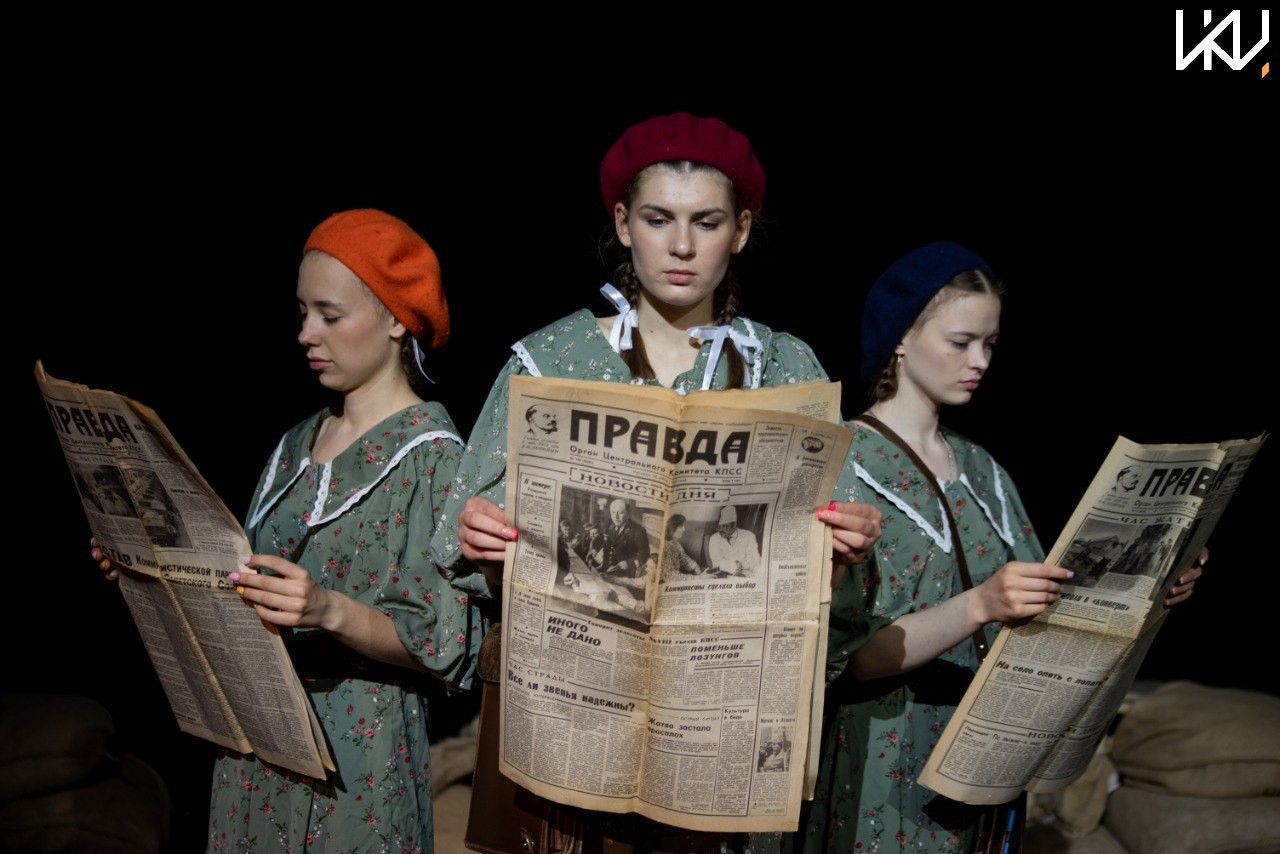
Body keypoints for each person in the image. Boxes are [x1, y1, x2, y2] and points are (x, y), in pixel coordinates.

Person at [430, 112, 883, 853]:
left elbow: (835, 597)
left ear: (741, 230)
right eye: (657, 219)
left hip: (717, 727)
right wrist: (481, 539)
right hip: (570, 726)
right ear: (622, 223)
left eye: (706, 222)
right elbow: (461, 549)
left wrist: (847, 545)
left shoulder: (782, 368)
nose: (681, 246)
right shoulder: (550, 363)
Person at [789, 242, 1206, 853]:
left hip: (988, 762)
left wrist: (1152, 582)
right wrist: (981, 604)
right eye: (961, 342)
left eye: (989, 343)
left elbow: (1050, 602)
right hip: (888, 760)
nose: (979, 361)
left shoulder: (984, 471)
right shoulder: (845, 463)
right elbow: (859, 656)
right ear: (901, 337)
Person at [97, 209, 481, 852]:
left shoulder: (433, 457)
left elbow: (444, 644)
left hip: (358, 751)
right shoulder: (296, 443)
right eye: (303, 312)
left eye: (330, 315)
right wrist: (146, 569)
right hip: (259, 739)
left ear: (395, 319)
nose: (306, 333)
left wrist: (328, 609)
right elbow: (242, 584)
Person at [706, 504, 760, 576]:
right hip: (725, 576)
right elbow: (717, 562)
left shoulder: (749, 536)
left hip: (748, 574)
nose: (721, 530)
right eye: (718, 527)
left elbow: (754, 559)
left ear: (734, 525)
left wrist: (742, 565)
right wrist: (736, 566)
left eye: (725, 526)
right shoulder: (714, 539)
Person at [661, 513, 703, 579]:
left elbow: (684, 559)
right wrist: (698, 578)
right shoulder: (665, 546)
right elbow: (671, 576)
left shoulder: (676, 543)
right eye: (681, 526)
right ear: (672, 527)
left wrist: (695, 566)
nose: (684, 529)